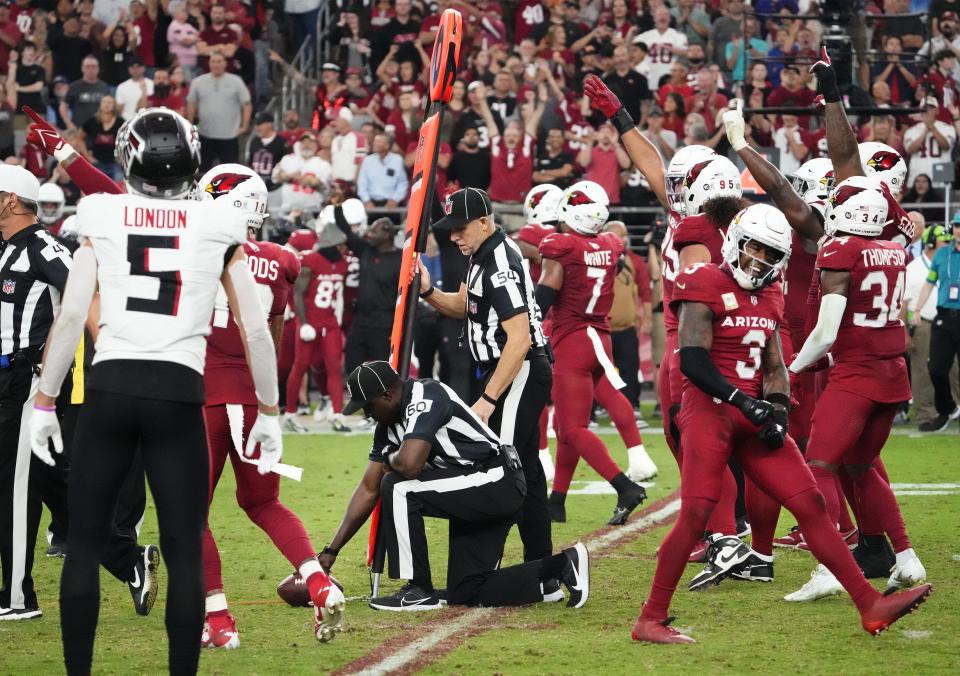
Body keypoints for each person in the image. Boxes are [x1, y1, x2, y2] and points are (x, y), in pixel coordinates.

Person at [26, 108, 284, 674]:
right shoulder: (217, 226)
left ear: (128, 156)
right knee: (184, 548)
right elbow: (256, 327)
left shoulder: (101, 213)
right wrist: (268, 409)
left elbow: (72, 315)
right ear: (193, 162)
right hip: (179, 392)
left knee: (85, 545)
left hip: (111, 386)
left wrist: (45, 399)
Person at [631, 203, 933, 645]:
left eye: (772, 255)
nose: (761, 261)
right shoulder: (702, 279)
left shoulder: (771, 293)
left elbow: (773, 363)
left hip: (749, 410)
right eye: (755, 249)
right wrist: (741, 400)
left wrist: (776, 407)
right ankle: (650, 619)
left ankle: (870, 604)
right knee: (696, 513)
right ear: (736, 240)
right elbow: (694, 359)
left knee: (810, 502)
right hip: (708, 411)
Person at [193, 163, 345, 647]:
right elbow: (269, 337)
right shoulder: (283, 260)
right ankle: (317, 582)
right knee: (264, 502)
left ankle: (218, 621)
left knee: (189, 513)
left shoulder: (200, 249)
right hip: (257, 401)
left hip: (207, 399)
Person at [321, 360, 590, 611]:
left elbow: (410, 464)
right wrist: (330, 552)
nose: (367, 414)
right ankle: (560, 567)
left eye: (368, 406)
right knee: (467, 591)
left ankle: (418, 589)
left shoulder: (426, 395)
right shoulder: (387, 428)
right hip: (474, 488)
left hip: (496, 480)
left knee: (398, 486)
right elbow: (368, 489)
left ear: (388, 395)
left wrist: (390, 459)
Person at [786, 176, 926, 601]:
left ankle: (833, 565)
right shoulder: (894, 250)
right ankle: (905, 556)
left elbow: (827, 331)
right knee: (861, 466)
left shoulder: (840, 248)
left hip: (858, 376)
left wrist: (793, 367)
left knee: (820, 466)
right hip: (892, 374)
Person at [417, 186, 556, 593]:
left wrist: (489, 398)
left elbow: (520, 340)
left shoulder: (498, 262)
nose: (454, 237)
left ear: (484, 222)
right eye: (450, 230)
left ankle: (480, 570)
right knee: (525, 471)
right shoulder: (480, 254)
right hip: (504, 369)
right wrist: (427, 291)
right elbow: (464, 306)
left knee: (502, 467)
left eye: (460, 228)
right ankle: (543, 571)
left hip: (518, 370)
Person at [537, 181, 652, 526]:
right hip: (599, 340)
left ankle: (624, 485)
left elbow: (543, 299)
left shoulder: (561, 247)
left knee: (570, 429)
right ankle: (557, 500)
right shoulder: (612, 244)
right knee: (569, 423)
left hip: (572, 341)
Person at [0, 165, 72, 620]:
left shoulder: (43, 246)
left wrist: (48, 365)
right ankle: (123, 554)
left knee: (16, 488)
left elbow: (83, 295)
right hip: (5, 376)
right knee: (32, 483)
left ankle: (18, 597)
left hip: (25, 381)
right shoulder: (6, 250)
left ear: (9, 200)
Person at [285, 219, 353, 434]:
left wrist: (338, 320)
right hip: (309, 323)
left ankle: (337, 414)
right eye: (341, 245)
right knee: (300, 366)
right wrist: (302, 323)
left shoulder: (342, 263)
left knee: (334, 367)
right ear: (331, 244)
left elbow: (339, 295)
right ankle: (289, 414)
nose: (344, 249)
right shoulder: (311, 260)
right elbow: (297, 293)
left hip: (330, 323)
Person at [332, 211, 402, 373]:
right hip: (360, 321)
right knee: (352, 367)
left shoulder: (401, 258)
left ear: (386, 233)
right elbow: (346, 230)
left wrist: (399, 327)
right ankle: (356, 398)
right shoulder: (366, 251)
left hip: (384, 323)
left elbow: (406, 295)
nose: (369, 233)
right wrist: (337, 206)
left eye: (374, 230)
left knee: (381, 374)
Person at [905, 224, 960, 428]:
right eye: (942, 238)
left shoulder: (949, 258)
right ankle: (928, 414)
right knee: (929, 371)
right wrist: (908, 325)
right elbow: (905, 302)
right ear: (930, 243)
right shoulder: (915, 267)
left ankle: (953, 409)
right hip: (929, 323)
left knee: (952, 371)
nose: (947, 240)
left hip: (949, 320)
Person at [186, 52, 252, 170]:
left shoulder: (236, 81)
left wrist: (245, 126)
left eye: (219, 61)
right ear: (209, 63)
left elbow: (246, 104)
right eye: (213, 61)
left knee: (230, 173)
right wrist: (190, 125)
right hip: (205, 135)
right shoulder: (198, 82)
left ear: (225, 63)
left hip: (229, 136)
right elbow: (191, 103)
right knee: (202, 171)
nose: (216, 64)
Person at [272, 131, 332, 216]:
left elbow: (326, 187)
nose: (306, 145)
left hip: (312, 211)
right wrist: (289, 176)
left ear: (316, 145)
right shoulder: (288, 159)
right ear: (298, 144)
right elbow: (274, 177)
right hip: (289, 210)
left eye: (310, 142)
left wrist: (310, 181)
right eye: (303, 142)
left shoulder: (323, 164)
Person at [357, 131, 408, 207]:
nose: (374, 143)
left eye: (379, 141)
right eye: (375, 141)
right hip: (370, 203)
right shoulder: (368, 160)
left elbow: (402, 183)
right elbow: (361, 183)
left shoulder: (397, 160)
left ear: (387, 146)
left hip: (391, 204)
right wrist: (366, 200)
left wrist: (395, 199)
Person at [114, 55, 153, 121]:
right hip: (127, 122)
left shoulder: (152, 84)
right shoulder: (122, 86)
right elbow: (119, 110)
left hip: (148, 121)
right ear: (128, 69)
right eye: (132, 67)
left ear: (144, 68)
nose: (135, 69)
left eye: (138, 66)